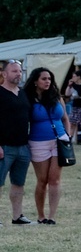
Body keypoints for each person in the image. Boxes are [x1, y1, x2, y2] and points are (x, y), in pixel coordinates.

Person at [24, 68, 66, 225]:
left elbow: (65, 118)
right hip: (38, 142)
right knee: (42, 180)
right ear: (35, 81)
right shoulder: (28, 98)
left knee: (55, 179)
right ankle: (41, 215)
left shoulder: (56, 96)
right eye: (44, 79)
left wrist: (68, 136)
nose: (47, 81)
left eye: (49, 79)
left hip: (59, 140)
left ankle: (52, 216)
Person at [2, 61, 34, 225]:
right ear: (4, 74)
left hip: (22, 146)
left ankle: (17, 216)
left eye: (20, 71)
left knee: (18, 183)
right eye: (14, 71)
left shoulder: (23, 93)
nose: (18, 74)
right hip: (4, 147)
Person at [65, 68, 81, 146]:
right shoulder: (73, 85)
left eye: (74, 76)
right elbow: (67, 94)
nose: (73, 78)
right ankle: (69, 141)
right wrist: (69, 85)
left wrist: (79, 97)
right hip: (75, 106)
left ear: (79, 77)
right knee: (72, 123)